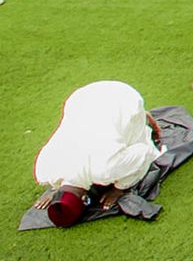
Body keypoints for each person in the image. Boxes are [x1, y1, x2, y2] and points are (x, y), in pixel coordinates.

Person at [32, 80, 162, 226]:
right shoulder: (43, 170)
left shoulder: (105, 171)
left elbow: (143, 153)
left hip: (124, 97)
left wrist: (119, 188)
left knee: (134, 140)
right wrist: (58, 193)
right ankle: (136, 117)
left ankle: (138, 117)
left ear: (85, 199)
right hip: (82, 97)